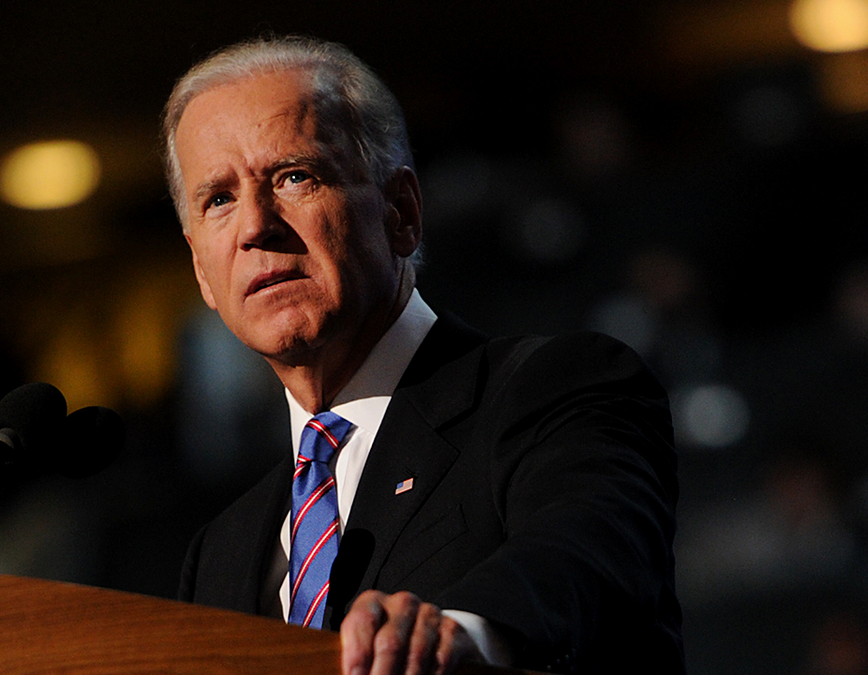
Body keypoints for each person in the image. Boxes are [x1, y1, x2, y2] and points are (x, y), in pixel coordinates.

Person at [166, 35, 684, 675]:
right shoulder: (220, 554)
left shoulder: (556, 389)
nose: (254, 227)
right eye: (219, 198)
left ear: (401, 212)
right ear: (200, 271)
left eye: (295, 176)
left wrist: (461, 633)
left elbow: (589, 549)